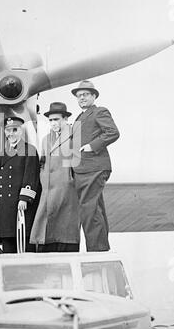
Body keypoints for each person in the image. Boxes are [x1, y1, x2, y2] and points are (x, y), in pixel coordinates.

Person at [71, 80, 120, 251]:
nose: (82, 98)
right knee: (94, 208)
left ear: (93, 96)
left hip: (94, 167)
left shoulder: (99, 111)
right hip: (83, 169)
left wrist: (92, 146)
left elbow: (113, 132)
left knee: (89, 210)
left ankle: (96, 251)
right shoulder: (78, 117)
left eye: (85, 94)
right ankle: (101, 250)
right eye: (79, 96)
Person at [30, 102, 80, 252]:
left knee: (65, 227)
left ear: (65, 119)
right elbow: (42, 162)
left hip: (67, 189)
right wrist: (43, 178)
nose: (53, 123)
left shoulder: (73, 136)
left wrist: (70, 179)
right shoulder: (46, 139)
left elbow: (78, 162)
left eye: (56, 119)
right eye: (51, 120)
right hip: (48, 189)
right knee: (45, 226)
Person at [0, 117, 41, 253]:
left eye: (14, 130)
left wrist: (24, 198)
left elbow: (31, 175)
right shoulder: (1, 152)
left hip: (21, 207)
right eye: (8, 130)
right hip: (5, 208)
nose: (11, 134)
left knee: (25, 248)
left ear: (21, 131)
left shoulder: (29, 150)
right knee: (8, 248)